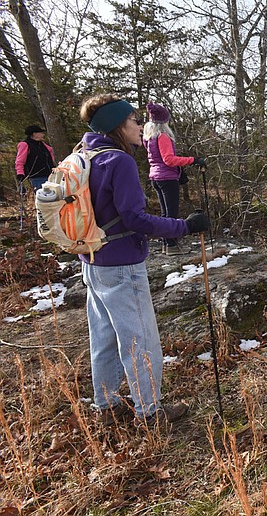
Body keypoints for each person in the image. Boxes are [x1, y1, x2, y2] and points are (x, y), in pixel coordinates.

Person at [78, 93, 210, 428]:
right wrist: (185, 226)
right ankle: (150, 412)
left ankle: (105, 406)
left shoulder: (83, 155)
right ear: (117, 126)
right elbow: (135, 219)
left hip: (92, 261)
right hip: (121, 264)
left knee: (104, 336)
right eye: (134, 121)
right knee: (141, 339)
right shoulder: (118, 161)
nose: (141, 126)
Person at [143, 101, 206, 256]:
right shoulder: (163, 136)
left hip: (156, 177)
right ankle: (171, 245)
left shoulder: (148, 138)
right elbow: (169, 160)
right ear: (165, 121)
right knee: (171, 212)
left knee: (165, 213)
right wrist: (193, 160)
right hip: (167, 178)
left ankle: (167, 244)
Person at [15, 124, 55, 192]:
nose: (43, 135)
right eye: (41, 133)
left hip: (50, 175)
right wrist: (20, 174)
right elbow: (19, 161)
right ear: (34, 134)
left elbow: (50, 151)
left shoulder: (41, 144)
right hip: (36, 177)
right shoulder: (25, 144)